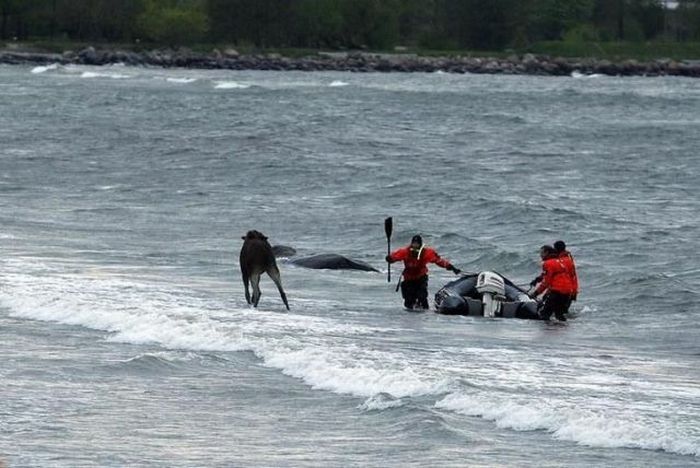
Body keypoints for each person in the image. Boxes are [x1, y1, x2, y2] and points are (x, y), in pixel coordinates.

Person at [386, 235, 461, 310]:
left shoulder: (427, 253)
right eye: (414, 243)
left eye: (417, 244)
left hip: (420, 278)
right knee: (409, 302)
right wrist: (390, 259)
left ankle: (425, 316)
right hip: (408, 279)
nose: (415, 246)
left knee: (422, 298)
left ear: (420, 245)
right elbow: (395, 257)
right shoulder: (405, 251)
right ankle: (411, 317)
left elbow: (439, 261)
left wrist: (451, 267)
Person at [530, 245, 577, 321]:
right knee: (559, 314)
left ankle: (547, 331)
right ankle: (564, 331)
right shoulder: (563, 261)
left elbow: (546, 282)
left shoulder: (548, 263)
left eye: (541, 253)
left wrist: (535, 293)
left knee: (544, 314)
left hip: (556, 292)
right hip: (568, 292)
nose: (540, 255)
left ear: (547, 253)